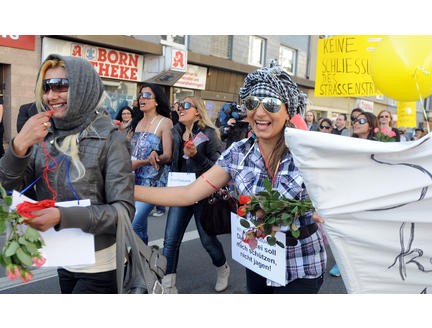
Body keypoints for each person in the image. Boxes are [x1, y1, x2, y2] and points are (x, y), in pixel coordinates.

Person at [135, 63, 327, 294]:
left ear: (288, 110)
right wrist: (126, 189)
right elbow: (188, 193)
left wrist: (319, 210)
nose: (260, 112)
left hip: (301, 262)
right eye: (251, 103)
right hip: (260, 257)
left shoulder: (309, 153)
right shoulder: (238, 152)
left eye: (271, 104)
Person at [0, 54, 135, 293]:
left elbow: (123, 212)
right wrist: (19, 145)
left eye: (61, 86)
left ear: (83, 87)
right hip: (62, 256)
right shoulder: (42, 135)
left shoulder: (111, 139)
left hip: (100, 264)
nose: (51, 96)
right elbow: (7, 189)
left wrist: (62, 216)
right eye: (46, 87)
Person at [159, 95, 229, 294]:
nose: (180, 108)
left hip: (202, 193)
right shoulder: (175, 132)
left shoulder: (209, 134)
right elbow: (171, 160)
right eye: (179, 105)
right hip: (179, 192)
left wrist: (196, 156)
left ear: (197, 111)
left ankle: (223, 267)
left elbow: (217, 171)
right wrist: (157, 155)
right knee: (170, 241)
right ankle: (168, 286)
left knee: (207, 241)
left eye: (186, 105)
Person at [129, 83, 173, 244]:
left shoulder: (165, 122)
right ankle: (145, 260)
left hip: (152, 183)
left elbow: (168, 155)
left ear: (156, 101)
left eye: (147, 95)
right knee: (139, 227)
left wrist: (154, 156)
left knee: (133, 223)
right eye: (140, 95)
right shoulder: (137, 122)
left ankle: (142, 260)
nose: (142, 98)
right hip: (132, 180)